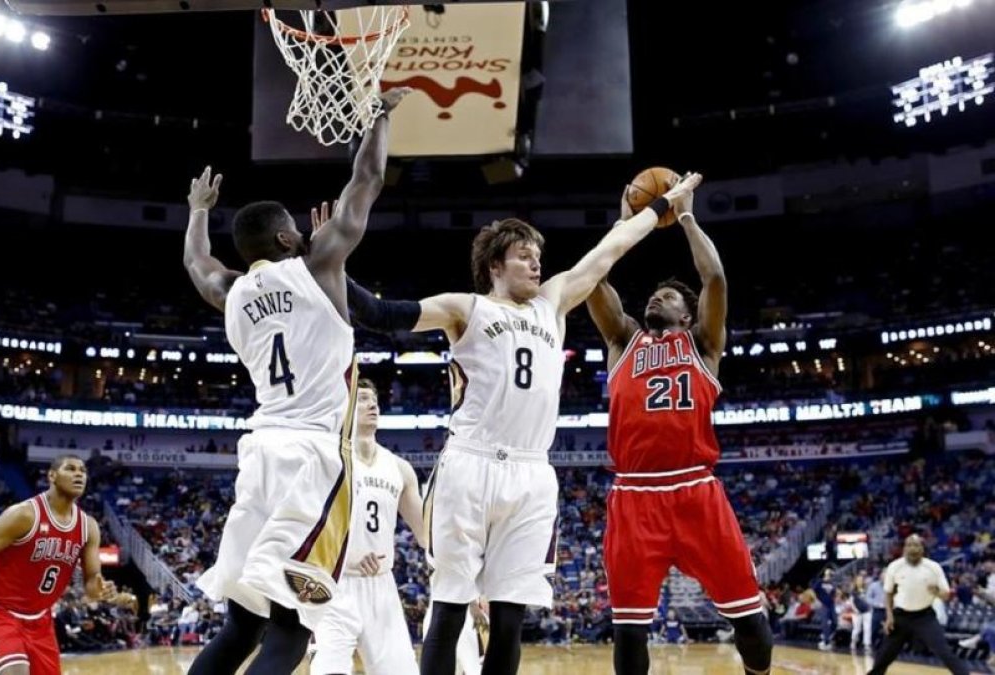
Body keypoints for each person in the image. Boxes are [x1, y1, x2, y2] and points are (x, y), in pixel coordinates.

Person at [346, 172, 704, 675]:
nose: (536, 262)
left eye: (538, 255)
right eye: (523, 255)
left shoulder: (552, 301)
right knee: (450, 606)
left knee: (511, 616)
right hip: (469, 463)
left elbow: (610, 250)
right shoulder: (463, 308)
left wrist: (663, 204)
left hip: (532, 473)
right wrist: (324, 262)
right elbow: (380, 313)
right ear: (496, 264)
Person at [182, 87, 410, 675]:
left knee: (243, 623)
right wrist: (379, 117)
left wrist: (198, 210)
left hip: (258, 453)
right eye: (295, 232)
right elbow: (368, 182)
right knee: (292, 624)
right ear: (287, 238)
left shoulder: (228, 292)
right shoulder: (321, 265)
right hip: (312, 458)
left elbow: (197, 263)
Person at [584, 185, 773, 675]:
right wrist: (624, 223)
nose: (655, 296)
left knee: (749, 619)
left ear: (686, 315)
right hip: (634, 497)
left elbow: (714, 277)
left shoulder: (704, 343)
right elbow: (593, 277)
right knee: (628, 629)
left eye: (666, 296)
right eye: (654, 293)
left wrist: (686, 218)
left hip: (696, 492)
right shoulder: (623, 339)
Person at [0, 456, 120, 675]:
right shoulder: (24, 514)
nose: (79, 474)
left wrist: (99, 589)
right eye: (70, 469)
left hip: (40, 619)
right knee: (15, 671)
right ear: (52, 476)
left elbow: (91, 581)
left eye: (83, 471)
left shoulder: (88, 527)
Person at [309, 378, 425, 675]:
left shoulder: (400, 468)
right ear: (344, 407)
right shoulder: (326, 460)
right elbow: (305, 527)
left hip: (381, 586)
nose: (372, 404)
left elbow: (427, 535)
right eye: (362, 398)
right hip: (335, 583)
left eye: (374, 399)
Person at [867, 534, 968, 675]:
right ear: (904, 548)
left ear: (922, 549)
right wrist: (889, 617)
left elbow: (946, 595)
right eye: (909, 545)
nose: (912, 548)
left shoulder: (933, 567)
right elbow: (888, 593)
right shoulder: (895, 566)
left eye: (916, 545)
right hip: (901, 617)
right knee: (884, 655)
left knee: (943, 651)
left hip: (924, 617)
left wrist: (937, 592)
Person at [813, 568, 837, 651]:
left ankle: (826, 635)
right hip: (823, 604)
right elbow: (813, 591)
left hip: (831, 604)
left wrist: (834, 599)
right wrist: (817, 600)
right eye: (828, 574)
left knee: (835, 622)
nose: (830, 576)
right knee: (825, 623)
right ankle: (826, 641)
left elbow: (834, 593)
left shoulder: (832, 583)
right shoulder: (820, 582)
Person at [850, 573, 874, 653]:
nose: (860, 581)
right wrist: (855, 609)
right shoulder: (853, 591)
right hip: (857, 612)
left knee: (867, 628)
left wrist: (870, 607)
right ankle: (853, 642)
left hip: (867, 611)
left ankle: (867, 645)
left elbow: (869, 599)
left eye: (861, 580)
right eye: (858, 580)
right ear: (856, 581)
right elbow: (851, 602)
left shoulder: (866, 589)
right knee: (857, 629)